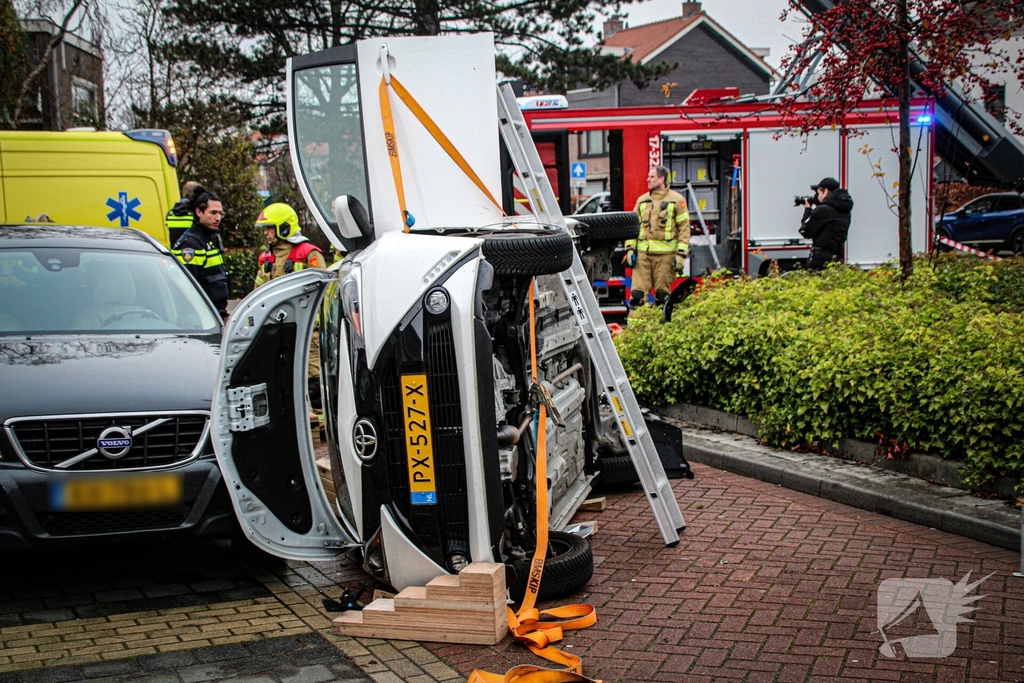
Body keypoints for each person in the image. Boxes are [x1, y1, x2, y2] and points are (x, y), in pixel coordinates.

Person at [253, 202, 326, 412]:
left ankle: (320, 420)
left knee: (313, 374)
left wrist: (316, 323)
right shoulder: (267, 258)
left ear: (284, 228)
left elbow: (322, 291)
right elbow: (257, 292)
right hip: (277, 327)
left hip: (309, 327)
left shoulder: (308, 254)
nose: (266, 233)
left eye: (269, 228)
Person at [624, 166, 690, 308]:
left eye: (652, 177)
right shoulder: (642, 200)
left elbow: (684, 229)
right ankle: (638, 327)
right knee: (637, 296)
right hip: (643, 257)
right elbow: (632, 227)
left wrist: (681, 255)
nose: (648, 179)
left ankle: (661, 328)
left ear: (661, 179)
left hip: (665, 258)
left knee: (663, 297)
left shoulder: (677, 200)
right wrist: (630, 249)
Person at [171, 187, 230, 318]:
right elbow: (187, 289)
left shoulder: (210, 238)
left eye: (221, 213)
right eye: (213, 212)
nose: (218, 218)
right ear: (199, 212)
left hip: (214, 313)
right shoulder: (191, 244)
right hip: (199, 316)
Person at [799, 177, 854, 271]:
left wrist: (808, 210)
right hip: (837, 256)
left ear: (826, 191)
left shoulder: (823, 210)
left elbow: (806, 231)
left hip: (820, 260)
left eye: (819, 193)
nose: (817, 196)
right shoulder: (844, 210)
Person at [166, 181, 202, 246]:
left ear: (184, 193)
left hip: (176, 253)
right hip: (194, 252)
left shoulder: (170, 214)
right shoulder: (197, 213)